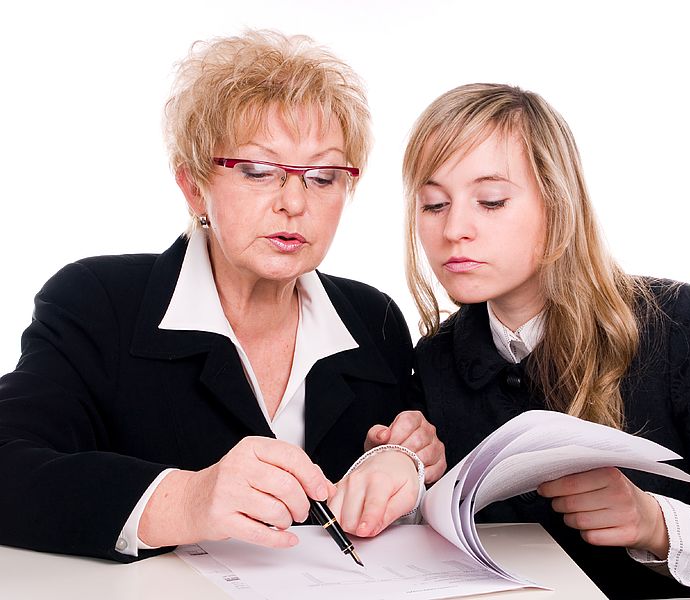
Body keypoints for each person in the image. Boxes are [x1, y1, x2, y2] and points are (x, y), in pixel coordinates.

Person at [0, 30, 445, 563]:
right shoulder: (98, 303)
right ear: (193, 186)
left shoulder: (375, 320)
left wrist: (409, 460)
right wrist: (186, 500)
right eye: (259, 171)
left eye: (323, 177)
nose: (294, 203)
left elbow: (406, 501)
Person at [398, 83, 690, 599]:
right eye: (433, 204)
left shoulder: (677, 327)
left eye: (491, 201)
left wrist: (655, 524)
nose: (455, 229)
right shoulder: (433, 359)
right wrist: (401, 473)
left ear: (557, 202)